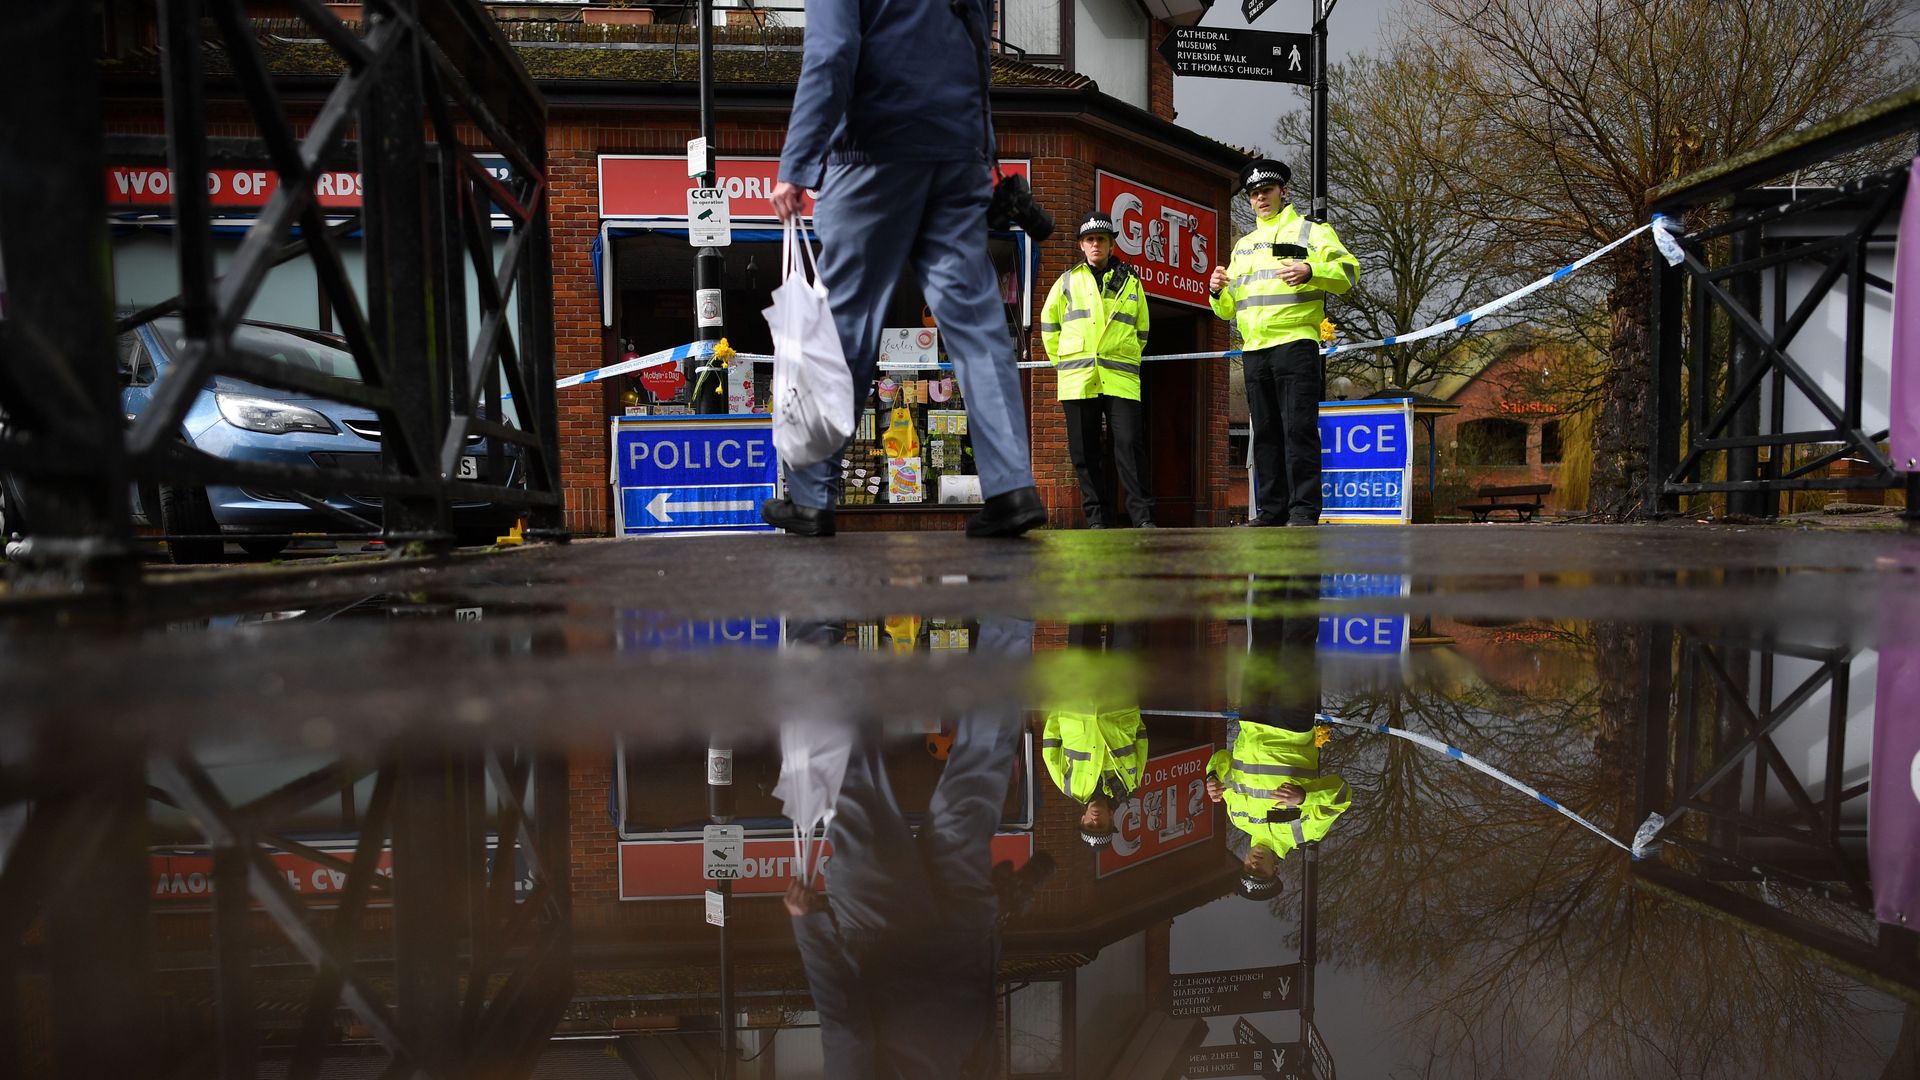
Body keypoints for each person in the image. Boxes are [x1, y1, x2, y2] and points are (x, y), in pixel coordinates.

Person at [760, 0, 1045, 539]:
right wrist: (984, 150)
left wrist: (798, 163)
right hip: (957, 152)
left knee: (846, 328)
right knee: (978, 326)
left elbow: (833, 52)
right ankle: (1011, 488)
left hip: (874, 150)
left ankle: (812, 496)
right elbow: (978, 47)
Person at [781, 618, 1042, 1078]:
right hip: (886, 936)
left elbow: (983, 1037)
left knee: (979, 770)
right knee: (849, 781)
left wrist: (989, 931)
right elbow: (848, 1032)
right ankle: (815, 622)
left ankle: (1011, 616)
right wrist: (808, 928)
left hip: (961, 946)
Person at [1208, 159, 1358, 526]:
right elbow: (1227, 311)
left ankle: (1304, 510)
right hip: (1255, 350)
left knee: (1298, 430)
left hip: (1295, 343)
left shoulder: (1311, 232)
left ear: (1283, 192)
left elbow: (1349, 272)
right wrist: (1215, 291)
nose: (1260, 198)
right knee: (1266, 435)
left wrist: (1312, 270)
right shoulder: (1243, 245)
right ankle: (1271, 509)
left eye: (1267, 191)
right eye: (1254, 194)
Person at [1207, 586, 1348, 899]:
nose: (1253, 864)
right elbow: (1341, 794)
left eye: (1247, 868)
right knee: (1295, 641)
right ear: (1277, 871)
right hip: (1290, 727)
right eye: (1260, 871)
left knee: (1264, 638)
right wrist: (1303, 798)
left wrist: (1213, 778)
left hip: (1252, 722)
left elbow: (1222, 760)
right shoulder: (1304, 832)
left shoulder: (1237, 817)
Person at [1040, 213, 1155, 529]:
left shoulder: (1132, 283)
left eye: (1101, 239)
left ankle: (1143, 518)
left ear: (1110, 244)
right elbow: (1049, 327)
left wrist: (1123, 357)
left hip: (1121, 378)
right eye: (1089, 239)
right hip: (1078, 379)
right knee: (1085, 452)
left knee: (1130, 446)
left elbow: (1141, 331)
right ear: (1081, 245)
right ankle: (1097, 520)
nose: (1095, 244)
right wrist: (1062, 363)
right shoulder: (1066, 282)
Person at [1040, 622, 1150, 845]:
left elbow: (1050, 745)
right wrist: (1131, 712)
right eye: (1101, 826)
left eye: (1089, 825)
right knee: (1126, 633)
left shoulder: (1068, 786)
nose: (1095, 821)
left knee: (1082, 633)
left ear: (1082, 818)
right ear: (1111, 819)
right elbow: (1141, 740)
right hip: (1119, 697)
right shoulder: (1131, 784)